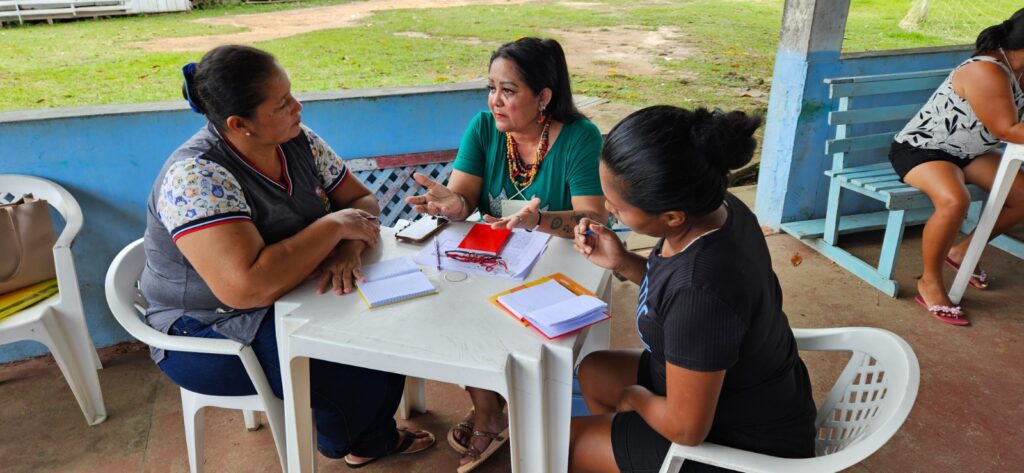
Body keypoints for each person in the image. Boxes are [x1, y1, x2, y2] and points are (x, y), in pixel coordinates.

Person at [141, 45, 434, 467]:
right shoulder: (197, 177)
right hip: (205, 330)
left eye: (291, 94)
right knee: (353, 364)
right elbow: (246, 288)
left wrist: (348, 248)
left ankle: (365, 431)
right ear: (239, 124)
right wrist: (333, 228)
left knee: (389, 329)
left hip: (289, 294)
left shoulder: (297, 140)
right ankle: (359, 442)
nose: (298, 107)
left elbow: (362, 202)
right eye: (281, 104)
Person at [568, 106, 817, 473]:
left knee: (563, 443)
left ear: (671, 216)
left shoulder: (702, 291)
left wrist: (635, 398)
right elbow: (671, 289)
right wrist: (621, 261)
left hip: (745, 444)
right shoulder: (716, 207)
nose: (609, 210)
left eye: (619, 207)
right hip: (738, 392)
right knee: (594, 370)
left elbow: (687, 429)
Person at [404, 37, 607, 471]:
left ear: (544, 97)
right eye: (491, 87)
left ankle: (500, 406)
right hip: (496, 262)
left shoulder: (579, 138)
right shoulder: (483, 128)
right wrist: (453, 204)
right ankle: (489, 408)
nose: (495, 101)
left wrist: (541, 220)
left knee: (504, 324)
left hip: (560, 267)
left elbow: (592, 219)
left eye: (509, 91)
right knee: (447, 306)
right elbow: (464, 197)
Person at [889, 8, 1024, 325]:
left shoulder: (1021, 70)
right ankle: (929, 281)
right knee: (954, 201)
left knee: (1022, 196)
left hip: (971, 151)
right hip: (924, 150)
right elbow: (1007, 129)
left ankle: (962, 252)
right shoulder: (987, 70)